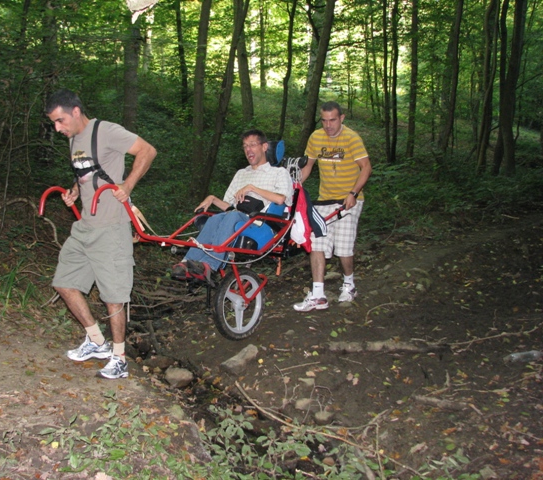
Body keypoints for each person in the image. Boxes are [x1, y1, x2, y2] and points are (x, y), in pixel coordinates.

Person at [45, 89, 157, 379]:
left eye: (60, 121)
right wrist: (74, 190)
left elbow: (148, 150)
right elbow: (85, 171)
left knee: (114, 295)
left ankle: (119, 359)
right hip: (86, 226)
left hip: (112, 227)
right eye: (54, 123)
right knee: (64, 283)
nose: (57, 128)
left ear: (76, 112)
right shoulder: (73, 138)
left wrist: (128, 185)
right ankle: (96, 341)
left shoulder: (106, 131)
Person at [171, 129, 293, 282]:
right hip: (236, 217)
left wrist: (252, 188)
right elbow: (229, 206)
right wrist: (213, 198)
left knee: (232, 215)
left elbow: (281, 199)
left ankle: (210, 264)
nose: (248, 150)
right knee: (215, 218)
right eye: (245, 146)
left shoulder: (279, 173)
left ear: (264, 147)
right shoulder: (241, 173)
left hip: (261, 223)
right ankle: (187, 263)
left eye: (253, 145)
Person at [293, 101, 371, 311]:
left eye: (332, 120)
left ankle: (349, 283)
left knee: (343, 247)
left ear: (341, 118)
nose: (328, 125)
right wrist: (294, 186)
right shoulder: (316, 137)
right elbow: (308, 166)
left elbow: (366, 167)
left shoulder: (351, 138)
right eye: (324, 120)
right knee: (316, 242)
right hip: (324, 200)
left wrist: (353, 193)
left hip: (349, 199)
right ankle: (318, 294)